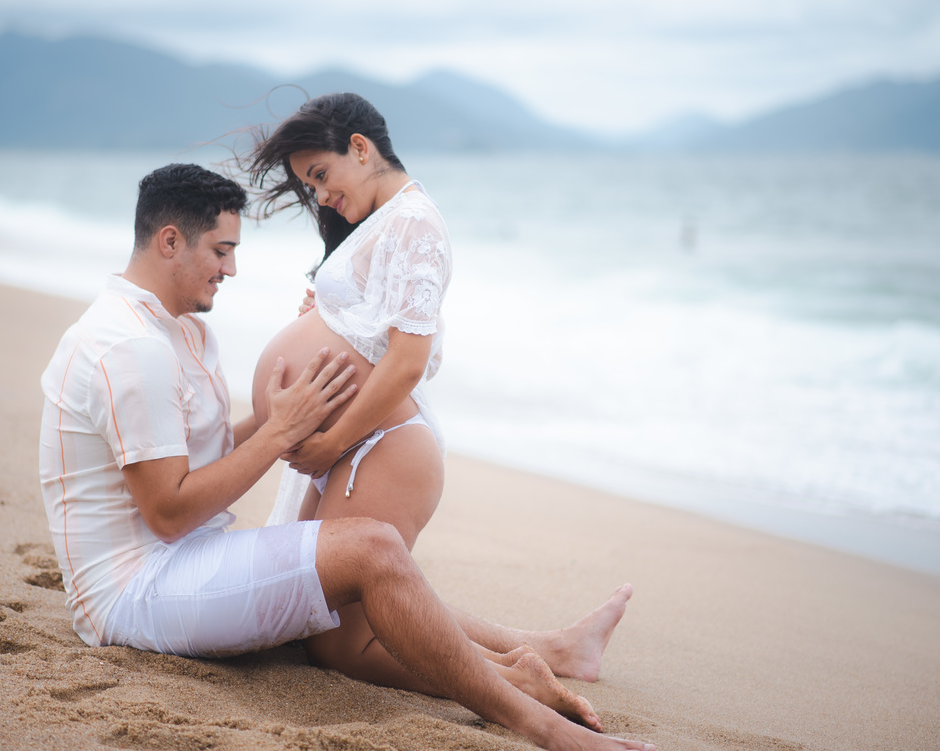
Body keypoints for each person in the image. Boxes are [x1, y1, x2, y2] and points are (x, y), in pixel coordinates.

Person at [37, 162, 654, 751]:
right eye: (221, 251)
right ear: (170, 241)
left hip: (177, 560)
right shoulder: (131, 349)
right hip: (134, 592)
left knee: (358, 563)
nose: (231, 269)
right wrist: (279, 434)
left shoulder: (174, 328)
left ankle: (540, 657)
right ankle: (538, 723)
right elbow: (169, 512)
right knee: (372, 549)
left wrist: (284, 415)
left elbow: (195, 453)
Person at [246, 94, 633, 725]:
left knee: (338, 641)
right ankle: (554, 649)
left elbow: (406, 360)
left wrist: (330, 439)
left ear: (360, 148)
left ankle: (517, 682)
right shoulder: (383, 221)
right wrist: (324, 316)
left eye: (320, 175)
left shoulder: (415, 222)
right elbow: (372, 329)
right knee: (333, 606)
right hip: (356, 445)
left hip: (375, 446)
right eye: (309, 185)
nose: (320, 196)